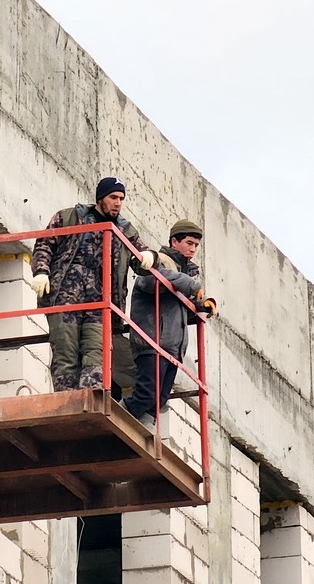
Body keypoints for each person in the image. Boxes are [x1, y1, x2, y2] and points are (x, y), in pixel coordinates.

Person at [29, 177, 156, 392]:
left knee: (96, 354)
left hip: (100, 303)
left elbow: (142, 261)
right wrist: (41, 272)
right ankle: (67, 402)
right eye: (113, 197)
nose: (118, 203)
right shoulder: (70, 217)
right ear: (100, 198)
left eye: (121, 199)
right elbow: (44, 245)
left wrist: (150, 255)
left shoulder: (125, 229)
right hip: (65, 298)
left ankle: (92, 401)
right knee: (66, 353)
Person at [122, 219, 217, 430]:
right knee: (147, 394)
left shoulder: (187, 273)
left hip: (172, 348)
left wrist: (202, 307)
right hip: (152, 341)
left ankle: (142, 431)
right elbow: (148, 281)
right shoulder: (160, 259)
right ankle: (119, 415)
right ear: (175, 241)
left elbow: (180, 309)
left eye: (196, 245)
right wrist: (189, 283)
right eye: (189, 243)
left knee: (160, 399)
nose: (193, 249)